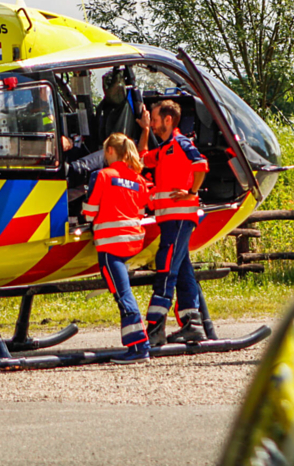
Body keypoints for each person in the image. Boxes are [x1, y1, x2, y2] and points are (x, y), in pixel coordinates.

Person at [136, 100, 209, 346]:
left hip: (179, 219)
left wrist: (192, 192)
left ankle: (155, 327)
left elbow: (201, 165)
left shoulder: (181, 143)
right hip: (169, 220)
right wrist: (145, 129)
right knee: (183, 271)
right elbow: (142, 159)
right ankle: (192, 325)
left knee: (166, 269)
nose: (155, 125)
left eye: (155, 120)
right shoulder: (164, 148)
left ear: (168, 120)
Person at [82, 133, 152, 364]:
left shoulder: (103, 175)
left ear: (110, 151)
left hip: (110, 245)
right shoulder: (138, 179)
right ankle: (138, 345)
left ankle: (139, 347)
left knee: (123, 295)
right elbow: (140, 212)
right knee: (124, 292)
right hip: (133, 243)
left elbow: (89, 212)